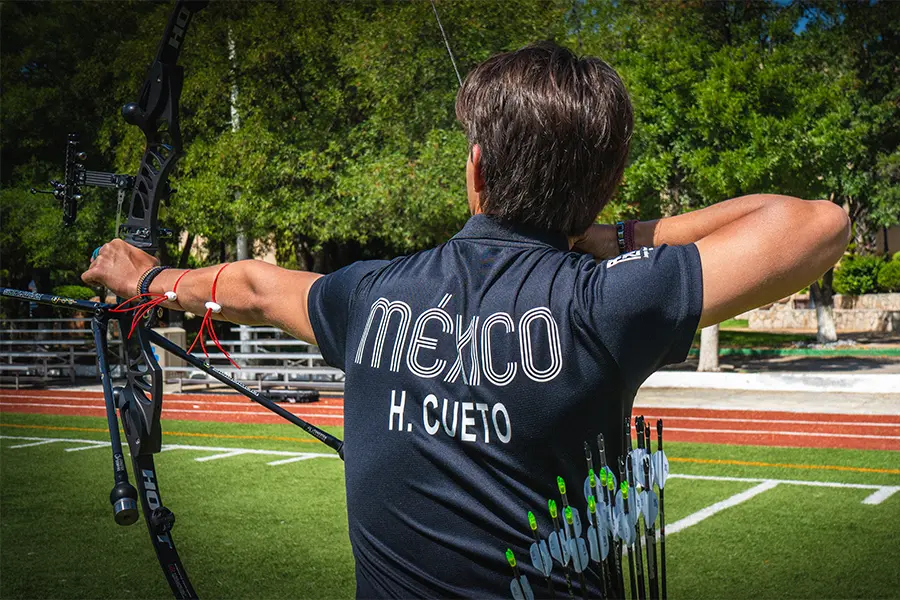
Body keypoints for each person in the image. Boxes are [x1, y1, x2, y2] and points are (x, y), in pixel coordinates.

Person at [83, 42, 849, 597]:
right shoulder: (604, 303)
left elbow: (248, 285)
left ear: (475, 170)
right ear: (608, 184)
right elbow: (815, 223)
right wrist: (611, 234)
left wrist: (147, 276)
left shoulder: (370, 294)